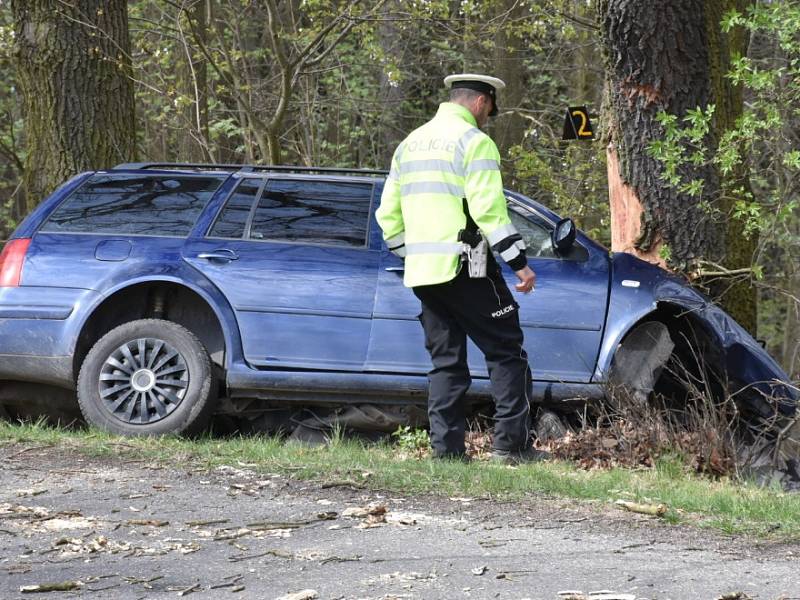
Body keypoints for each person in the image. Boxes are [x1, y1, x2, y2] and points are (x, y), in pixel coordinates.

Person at [376, 73, 548, 464]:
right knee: (506, 352)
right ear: (481, 102)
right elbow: (489, 210)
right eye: (491, 109)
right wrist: (519, 263)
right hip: (468, 265)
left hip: (424, 273)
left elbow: (387, 216)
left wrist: (413, 254)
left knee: (445, 362)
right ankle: (511, 447)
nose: (489, 117)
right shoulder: (475, 143)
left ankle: (447, 453)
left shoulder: (409, 144)